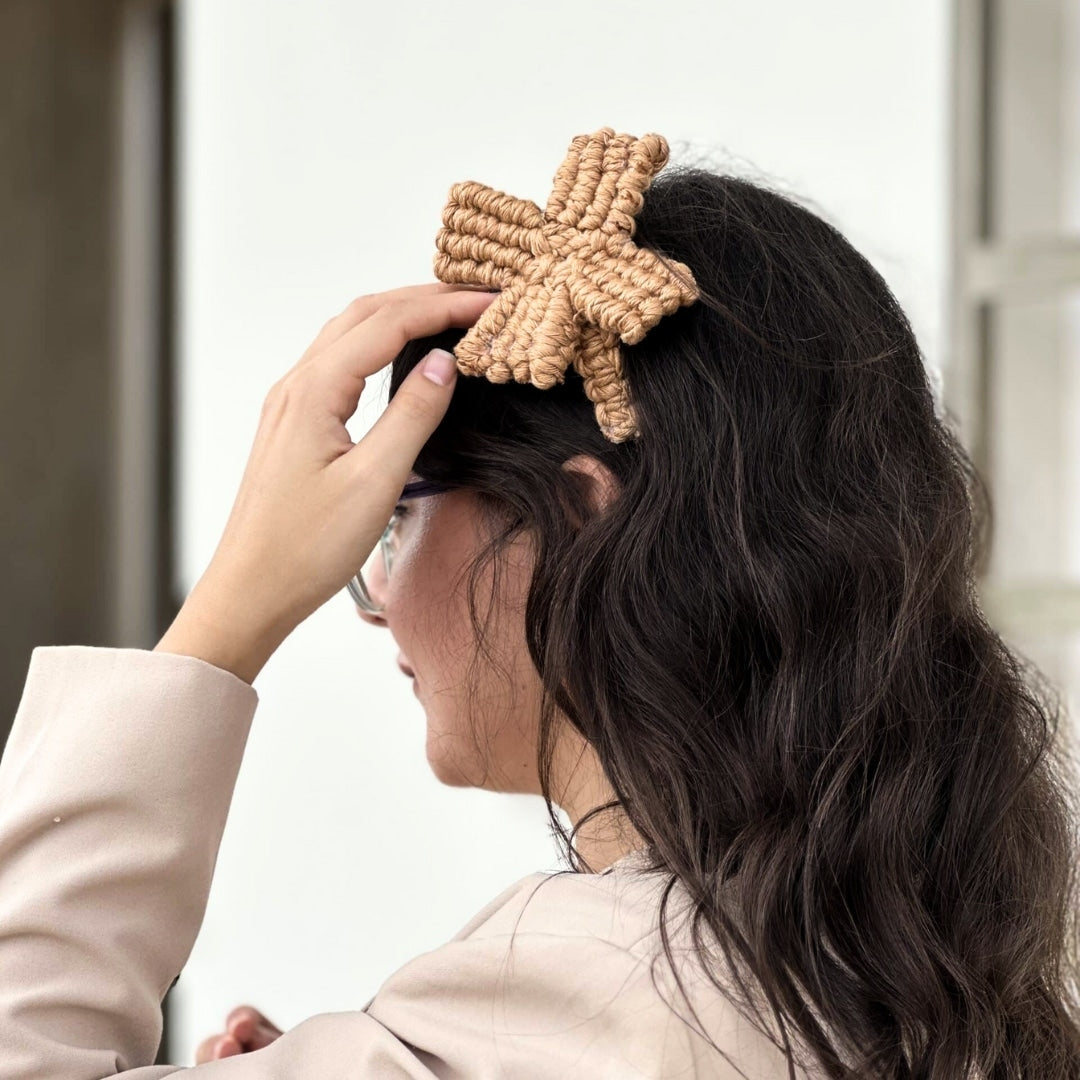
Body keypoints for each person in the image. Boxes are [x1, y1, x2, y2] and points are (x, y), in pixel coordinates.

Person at [2, 160, 1080, 1080]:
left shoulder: (595, 993)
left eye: (389, 524)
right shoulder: (924, 964)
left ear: (569, 524)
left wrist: (226, 607)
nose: (373, 606)